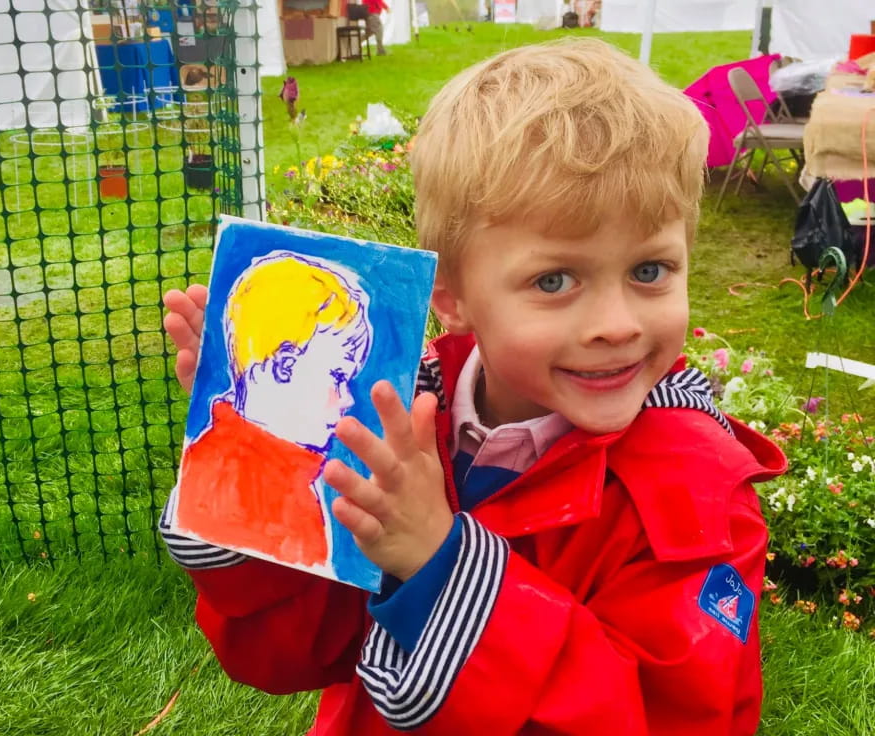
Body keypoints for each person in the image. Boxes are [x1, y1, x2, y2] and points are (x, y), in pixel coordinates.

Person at [160, 39, 787, 735]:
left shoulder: (694, 502)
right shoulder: (396, 421)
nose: (616, 325)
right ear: (453, 300)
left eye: (650, 271)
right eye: (555, 280)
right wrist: (257, 451)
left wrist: (440, 568)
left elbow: (666, 717)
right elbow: (295, 650)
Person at [168, 252, 372, 574]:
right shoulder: (233, 476)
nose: (347, 398)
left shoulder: (289, 474)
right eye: (337, 376)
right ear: (284, 366)